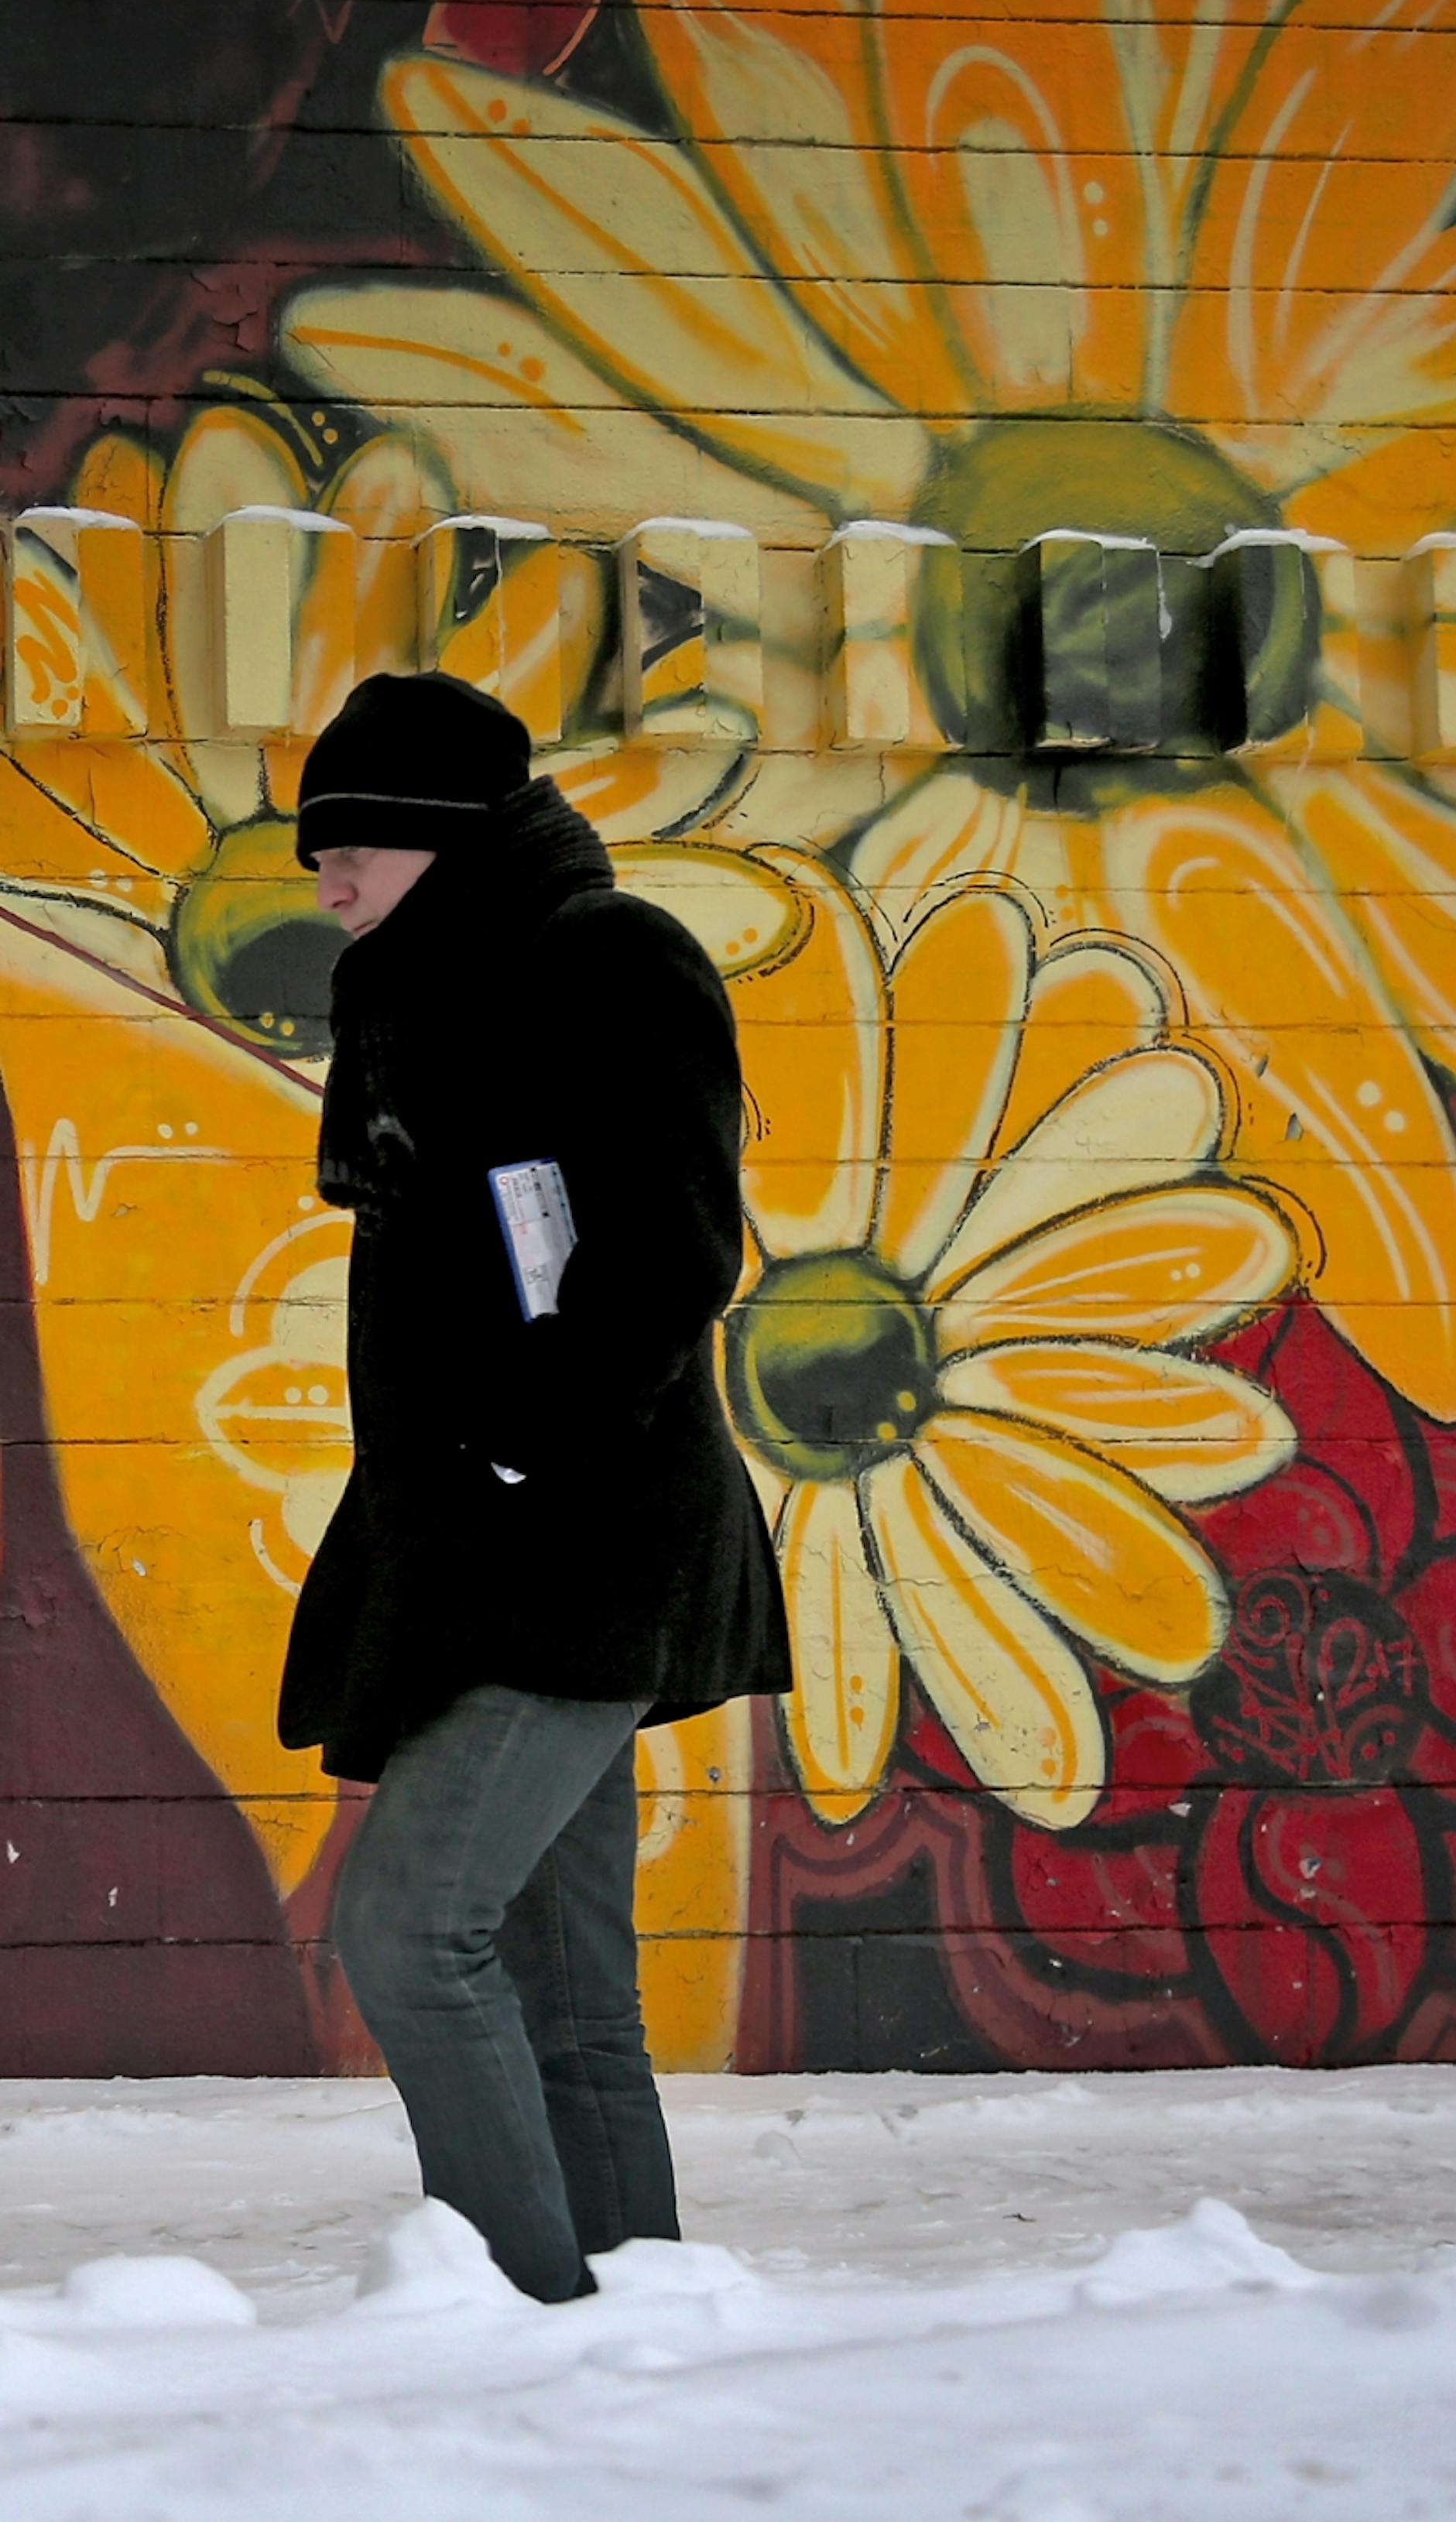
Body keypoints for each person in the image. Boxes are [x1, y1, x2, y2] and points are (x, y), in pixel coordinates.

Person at [277, 673, 791, 2302]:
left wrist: (527, 1438)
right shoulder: (424, 992)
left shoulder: (602, 963)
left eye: (352, 848)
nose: (329, 885)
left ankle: (520, 2309)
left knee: (412, 1931)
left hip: (579, 1541)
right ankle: (633, 2320)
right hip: (479, 1542)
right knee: (566, 1980)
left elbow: (673, 1249)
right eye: (319, 857)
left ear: (440, 836)